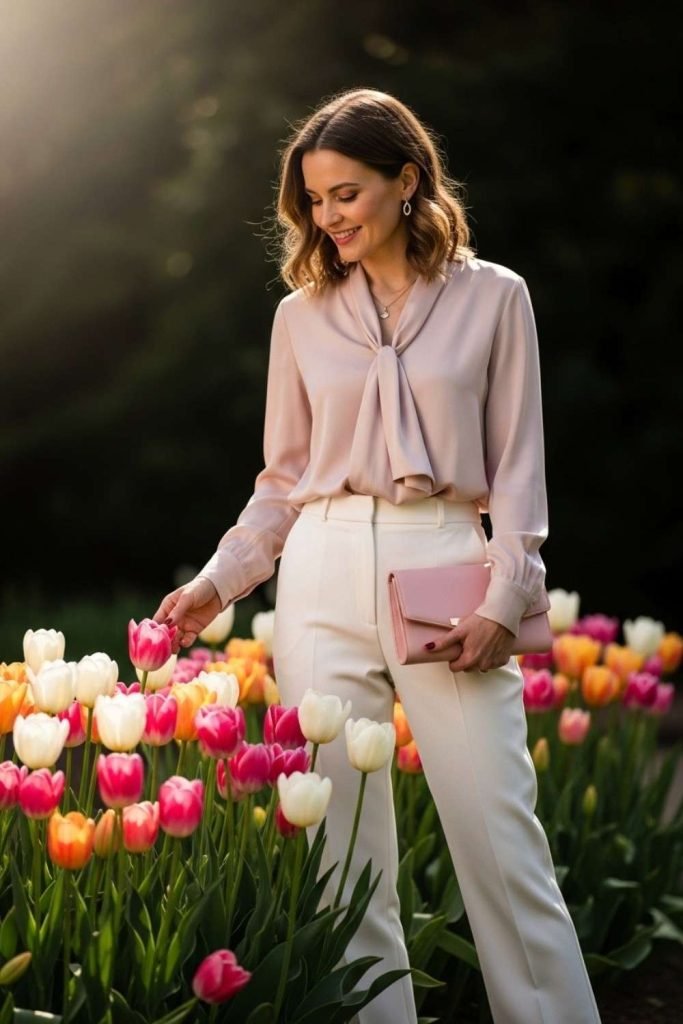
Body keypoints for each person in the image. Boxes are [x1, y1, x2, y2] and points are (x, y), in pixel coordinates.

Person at [153, 88, 602, 1024]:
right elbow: (281, 481)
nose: (328, 218)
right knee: (342, 863)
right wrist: (215, 583)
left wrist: (507, 589)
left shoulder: (495, 297)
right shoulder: (299, 318)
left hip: (441, 561)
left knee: (498, 835)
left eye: (346, 193)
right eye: (314, 201)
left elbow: (517, 473)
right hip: (315, 571)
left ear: (407, 182)